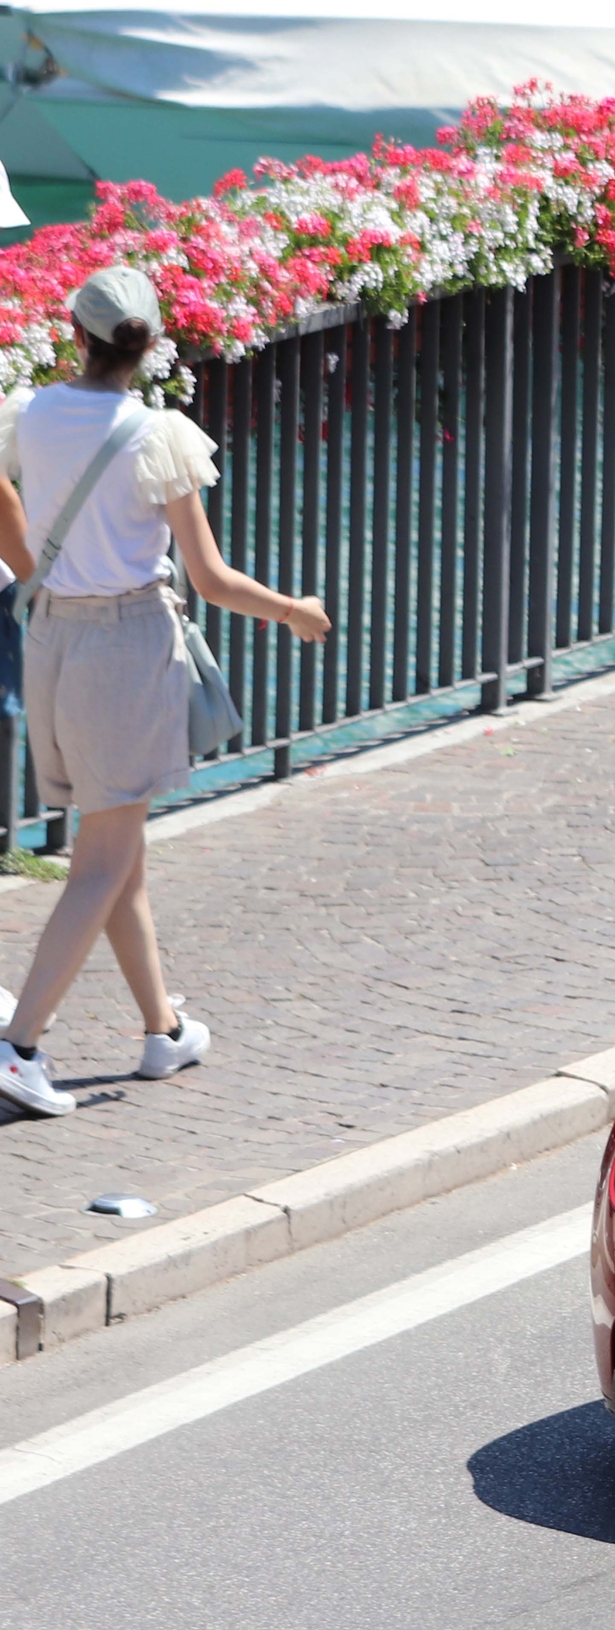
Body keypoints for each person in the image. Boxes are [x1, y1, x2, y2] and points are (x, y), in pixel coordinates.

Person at [0, 266, 330, 1117]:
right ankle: (20, 1044)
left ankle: (162, 1027)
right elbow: (210, 578)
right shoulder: (158, 436)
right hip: (126, 648)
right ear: (147, 346)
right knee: (103, 858)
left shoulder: (31, 415)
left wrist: (39, 572)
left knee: (119, 852)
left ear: (78, 334)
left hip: (50, 640)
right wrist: (294, 611)